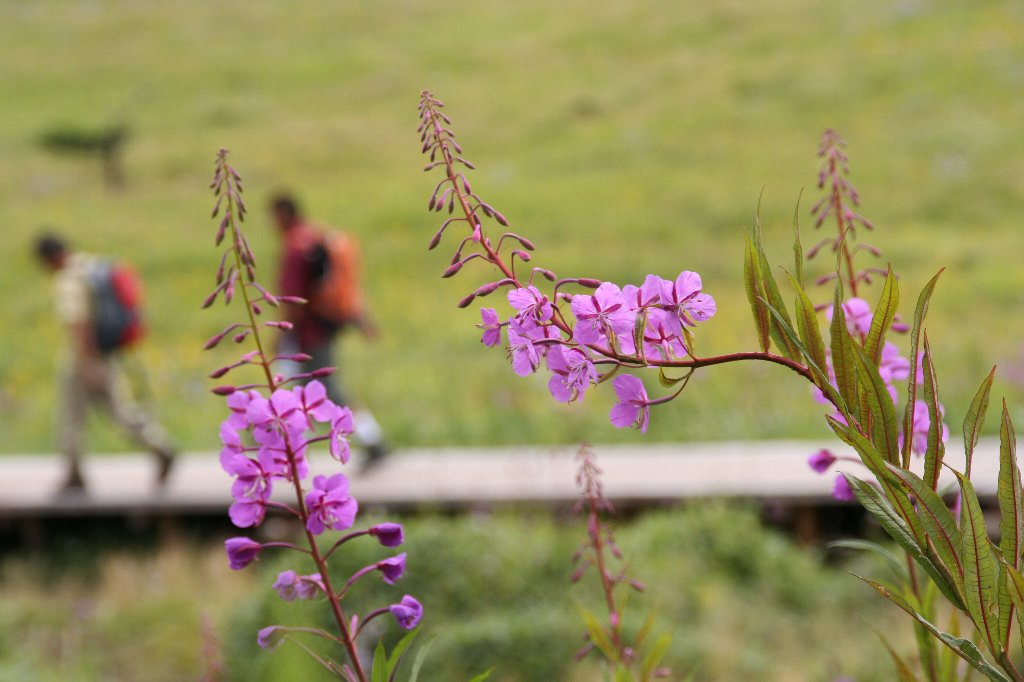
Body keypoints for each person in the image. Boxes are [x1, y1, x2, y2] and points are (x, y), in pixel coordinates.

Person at [34, 234, 176, 492]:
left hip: (83, 356)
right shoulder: (92, 264)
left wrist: (87, 362)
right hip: (107, 353)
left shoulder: (67, 279)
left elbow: (79, 324)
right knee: (120, 411)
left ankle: (74, 471)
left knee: (71, 414)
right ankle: (159, 444)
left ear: (49, 259)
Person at [270, 194, 390, 468]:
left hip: (308, 336)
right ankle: (291, 454)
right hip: (323, 328)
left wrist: (277, 336)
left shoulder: (294, 247)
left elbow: (293, 301)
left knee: (330, 392)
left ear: (282, 215)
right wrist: (361, 319)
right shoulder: (316, 236)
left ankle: (374, 441)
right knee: (297, 395)